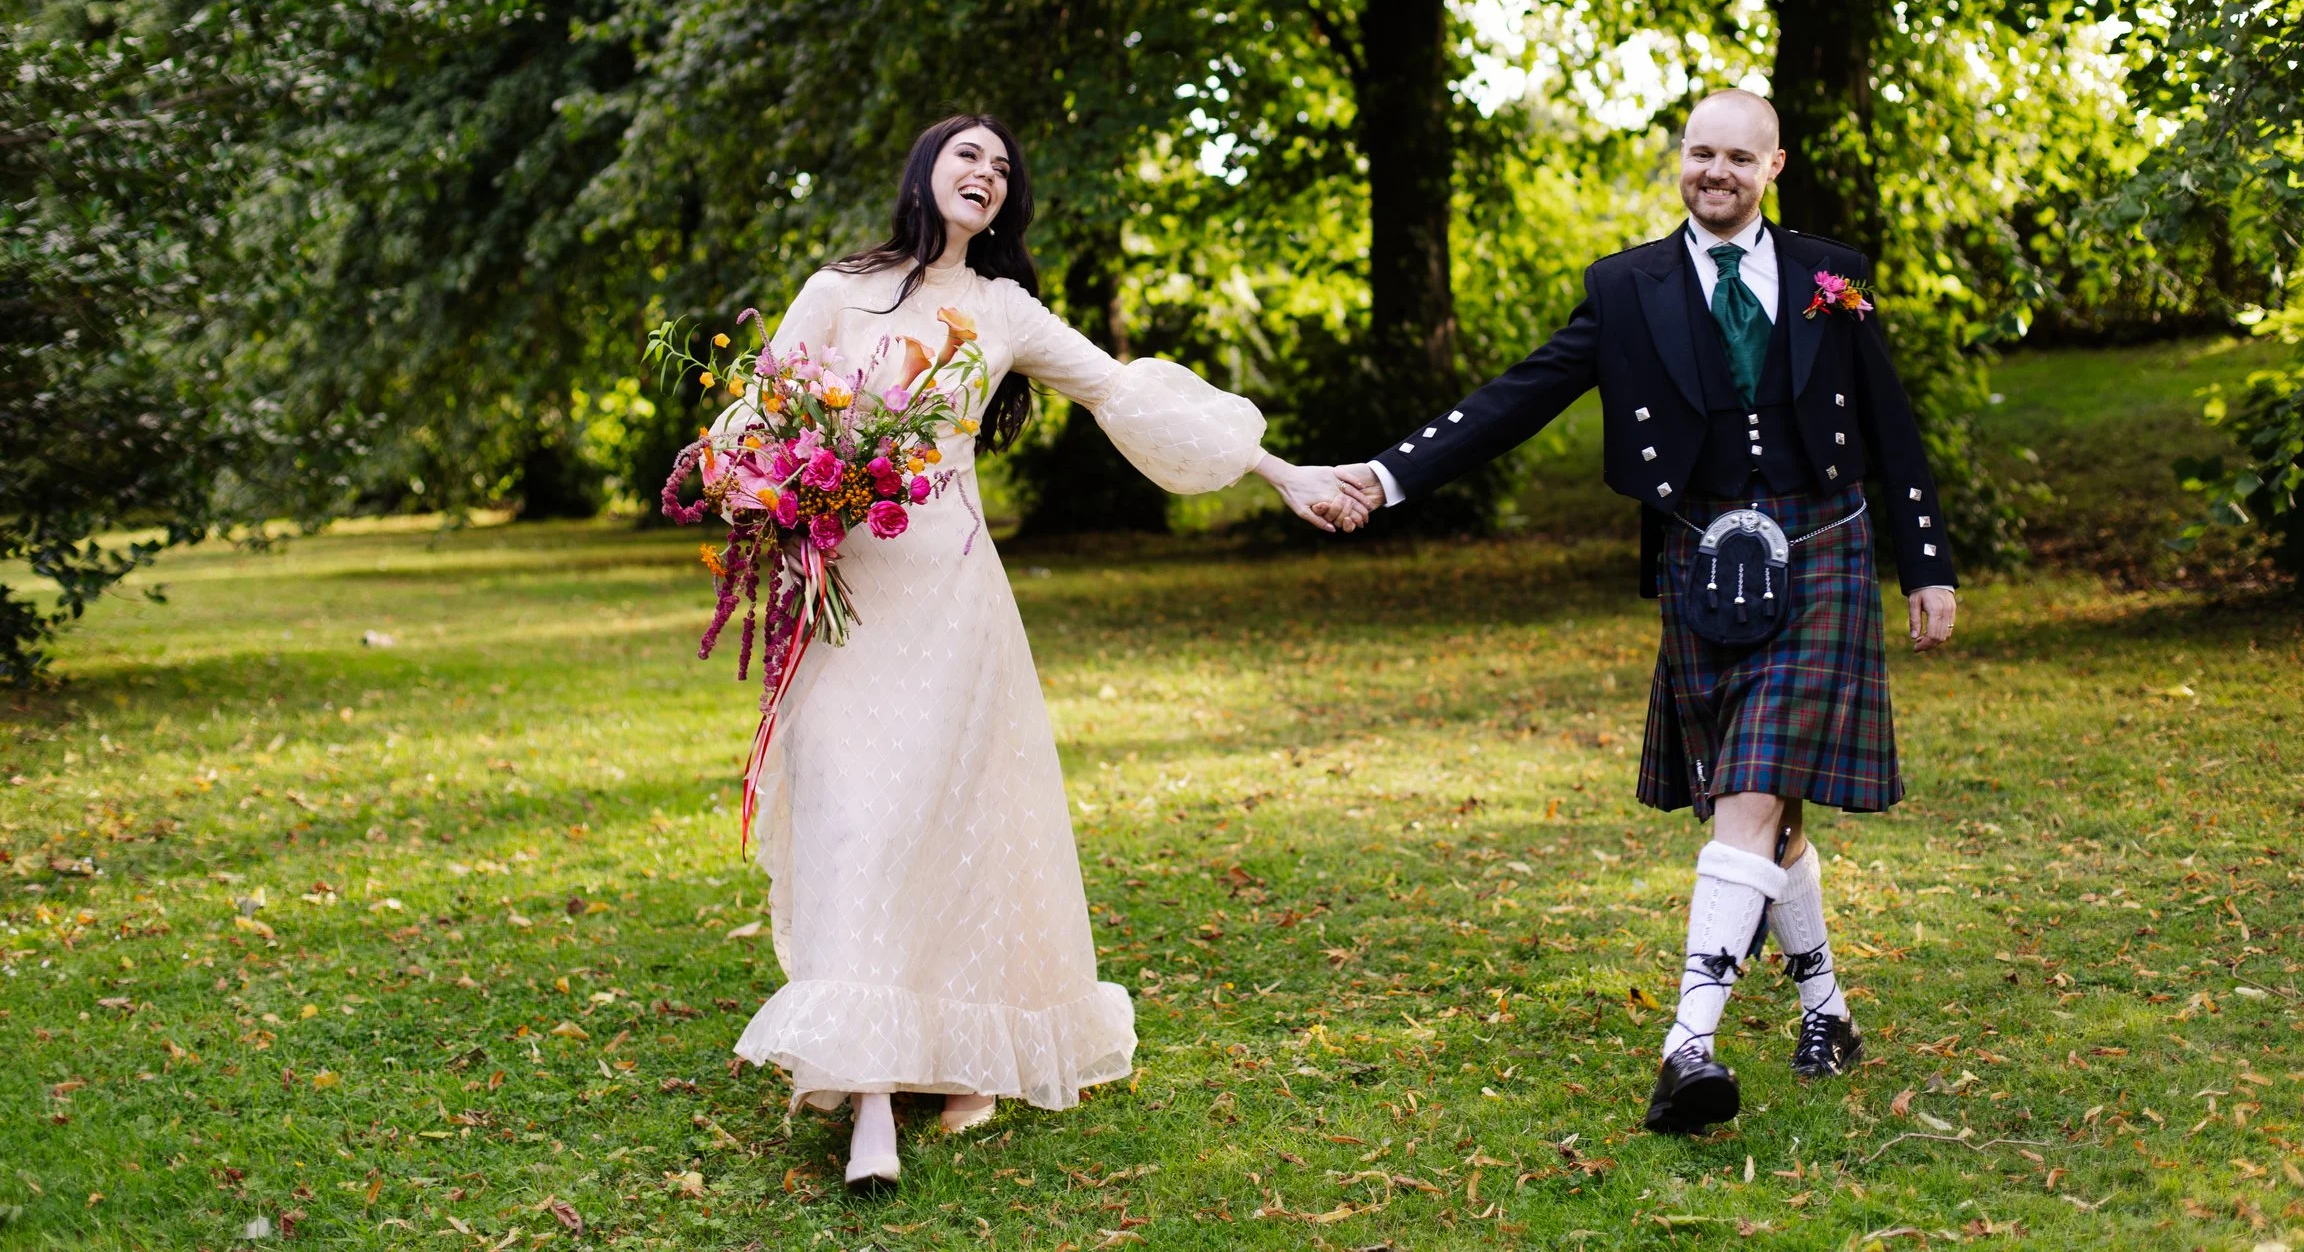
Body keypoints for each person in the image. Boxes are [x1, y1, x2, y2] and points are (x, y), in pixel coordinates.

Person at [723, 114, 1362, 1190]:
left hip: (951, 595)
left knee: (943, 820)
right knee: (858, 818)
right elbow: (759, 414)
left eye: (1002, 166)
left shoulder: (1003, 309)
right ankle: (869, 1094)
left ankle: (943, 1056)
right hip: (845, 595)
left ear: (1005, 202)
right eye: (967, 154)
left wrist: (1279, 471)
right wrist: (763, 493)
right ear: (925, 169)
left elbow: (1126, 391)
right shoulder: (835, 290)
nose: (985, 171)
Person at [1332, 89, 1958, 1135]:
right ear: (1682, 159)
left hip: (1823, 546)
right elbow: (1520, 394)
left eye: (1738, 157)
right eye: (1700, 152)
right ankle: (1827, 1012)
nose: (1715, 171)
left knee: (1749, 790)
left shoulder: (1829, 274)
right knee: (1768, 807)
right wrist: (1387, 475)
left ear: (1773, 166)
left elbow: (1890, 420)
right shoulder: (1627, 286)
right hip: (1703, 557)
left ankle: (1688, 1044)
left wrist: (1926, 561)